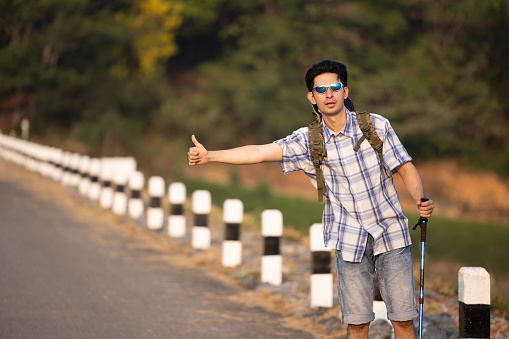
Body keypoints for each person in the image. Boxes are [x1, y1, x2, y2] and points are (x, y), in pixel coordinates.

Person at [188, 60, 434, 339]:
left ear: (345, 91)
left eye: (334, 87)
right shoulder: (308, 140)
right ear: (312, 97)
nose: (328, 94)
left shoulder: (375, 125)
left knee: (402, 320)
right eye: (321, 90)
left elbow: (404, 166)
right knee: (357, 324)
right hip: (348, 238)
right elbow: (259, 151)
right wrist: (211, 156)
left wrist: (419, 198)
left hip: (392, 233)